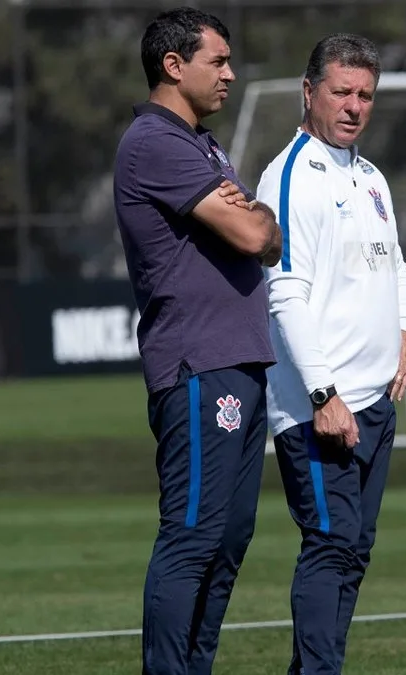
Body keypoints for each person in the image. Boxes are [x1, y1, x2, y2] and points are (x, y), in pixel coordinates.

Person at [112, 7, 282, 675]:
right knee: (192, 536)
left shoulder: (202, 144)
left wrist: (256, 216)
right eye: (218, 60)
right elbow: (253, 234)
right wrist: (256, 216)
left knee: (229, 537)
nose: (232, 74)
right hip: (198, 364)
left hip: (238, 361)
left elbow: (265, 232)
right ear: (173, 65)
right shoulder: (156, 142)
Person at [254, 33, 406, 675]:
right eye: (341, 92)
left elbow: (393, 261)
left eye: (365, 95)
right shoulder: (291, 176)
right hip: (322, 408)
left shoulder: (370, 175)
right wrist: (323, 394)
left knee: (355, 549)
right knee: (328, 543)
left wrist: (403, 328)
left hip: (375, 401)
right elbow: (284, 294)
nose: (354, 107)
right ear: (309, 91)